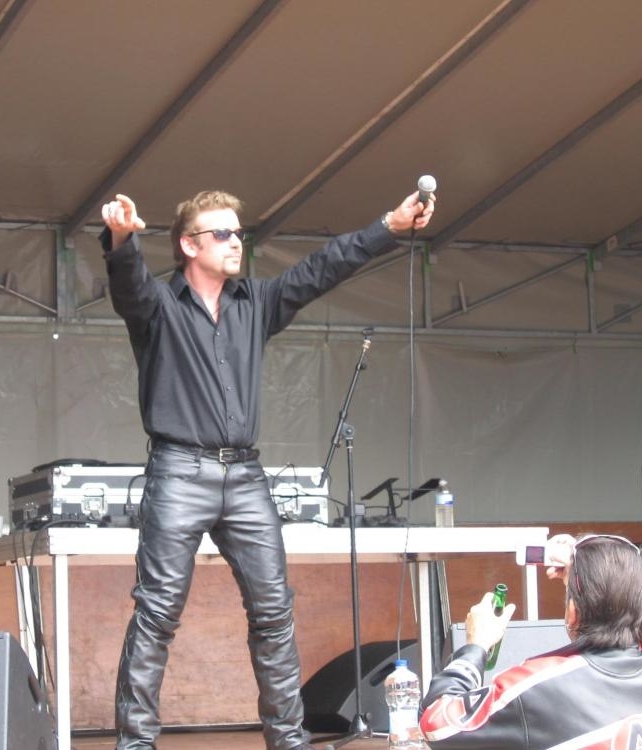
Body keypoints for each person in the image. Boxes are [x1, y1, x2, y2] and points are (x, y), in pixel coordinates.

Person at [99, 188, 435, 750]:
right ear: (189, 245)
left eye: (239, 232)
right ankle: (135, 744)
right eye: (222, 233)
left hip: (245, 476)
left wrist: (389, 225)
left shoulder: (257, 301)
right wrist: (121, 237)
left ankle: (287, 740)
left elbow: (322, 268)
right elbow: (127, 284)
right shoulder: (158, 305)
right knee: (157, 613)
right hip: (179, 471)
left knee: (274, 613)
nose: (236, 242)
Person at [419, 533, 642, 750]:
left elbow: (436, 724)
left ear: (573, 613)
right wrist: (591, 564)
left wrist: (476, 646)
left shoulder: (532, 685)